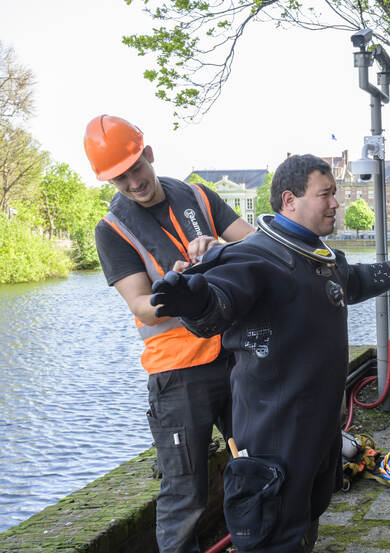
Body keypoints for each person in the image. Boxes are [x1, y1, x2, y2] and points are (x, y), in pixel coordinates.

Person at [149, 154, 390, 553]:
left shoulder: (320, 258)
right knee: (274, 534)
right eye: (326, 194)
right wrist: (194, 304)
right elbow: (219, 307)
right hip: (275, 436)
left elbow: (351, 282)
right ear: (290, 200)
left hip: (317, 432)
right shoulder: (253, 256)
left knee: (307, 519)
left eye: (335, 193)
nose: (336, 203)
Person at [85, 114, 255, 553]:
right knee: (185, 493)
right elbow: (140, 304)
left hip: (235, 356)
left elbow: (255, 243)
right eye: (119, 178)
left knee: (256, 462)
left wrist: (222, 246)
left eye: (136, 168)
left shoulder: (197, 195)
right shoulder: (112, 231)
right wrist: (172, 292)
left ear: (149, 153)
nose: (133, 182)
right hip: (178, 377)